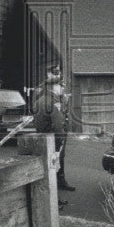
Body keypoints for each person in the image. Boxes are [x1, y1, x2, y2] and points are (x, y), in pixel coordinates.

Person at [32, 64, 75, 194]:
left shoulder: (60, 89)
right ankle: (50, 186)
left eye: (58, 73)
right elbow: (38, 108)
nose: (57, 75)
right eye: (55, 73)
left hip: (60, 126)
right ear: (48, 74)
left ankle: (60, 180)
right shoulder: (41, 90)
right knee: (51, 156)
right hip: (49, 127)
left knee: (61, 154)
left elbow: (64, 109)